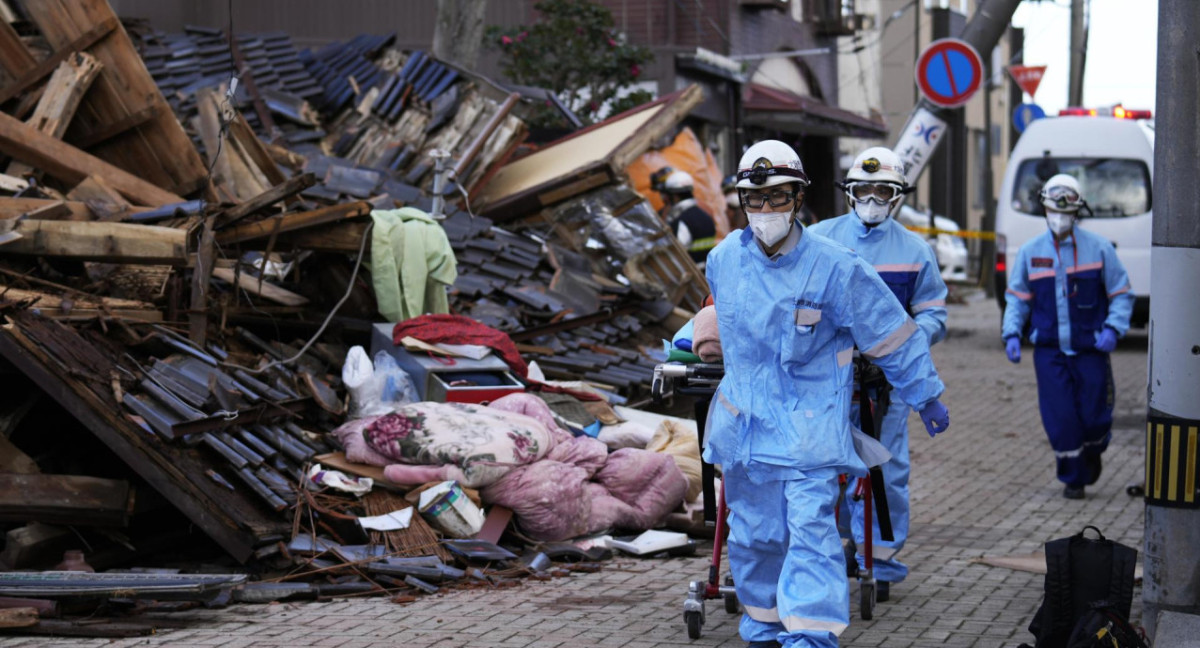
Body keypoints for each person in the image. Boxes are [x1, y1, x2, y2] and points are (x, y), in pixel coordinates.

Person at [705, 139, 950, 648]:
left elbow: (889, 332)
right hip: (746, 430)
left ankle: (812, 635)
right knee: (754, 538)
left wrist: (924, 394)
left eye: (778, 197)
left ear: (798, 199)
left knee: (812, 536)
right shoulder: (724, 258)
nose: (767, 209)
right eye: (756, 198)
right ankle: (764, 625)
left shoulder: (836, 266)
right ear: (741, 201)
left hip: (808, 432)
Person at [808, 146, 948, 603]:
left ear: (896, 195)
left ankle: (881, 559)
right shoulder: (818, 240)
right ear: (849, 192)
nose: (871, 198)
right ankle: (834, 549)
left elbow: (933, 313)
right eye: (863, 189)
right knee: (825, 467)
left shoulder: (914, 251)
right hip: (827, 381)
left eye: (881, 190)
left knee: (886, 471)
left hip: (888, 385)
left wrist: (908, 343)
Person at [1002, 173, 1133, 500]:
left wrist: (1113, 328)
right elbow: (1018, 298)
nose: (1059, 217)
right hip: (1050, 353)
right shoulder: (1031, 252)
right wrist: (1012, 333)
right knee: (1060, 419)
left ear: (1077, 212)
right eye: (1053, 209)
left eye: (1066, 210)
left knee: (1094, 418)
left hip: (1091, 350)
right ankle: (1073, 479)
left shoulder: (1099, 249)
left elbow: (1122, 294)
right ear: (1044, 209)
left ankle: (1093, 452)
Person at [652, 166, 718, 265]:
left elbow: (678, 254)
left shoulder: (682, 220)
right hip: (708, 272)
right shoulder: (705, 215)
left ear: (674, 196)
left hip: (694, 276)